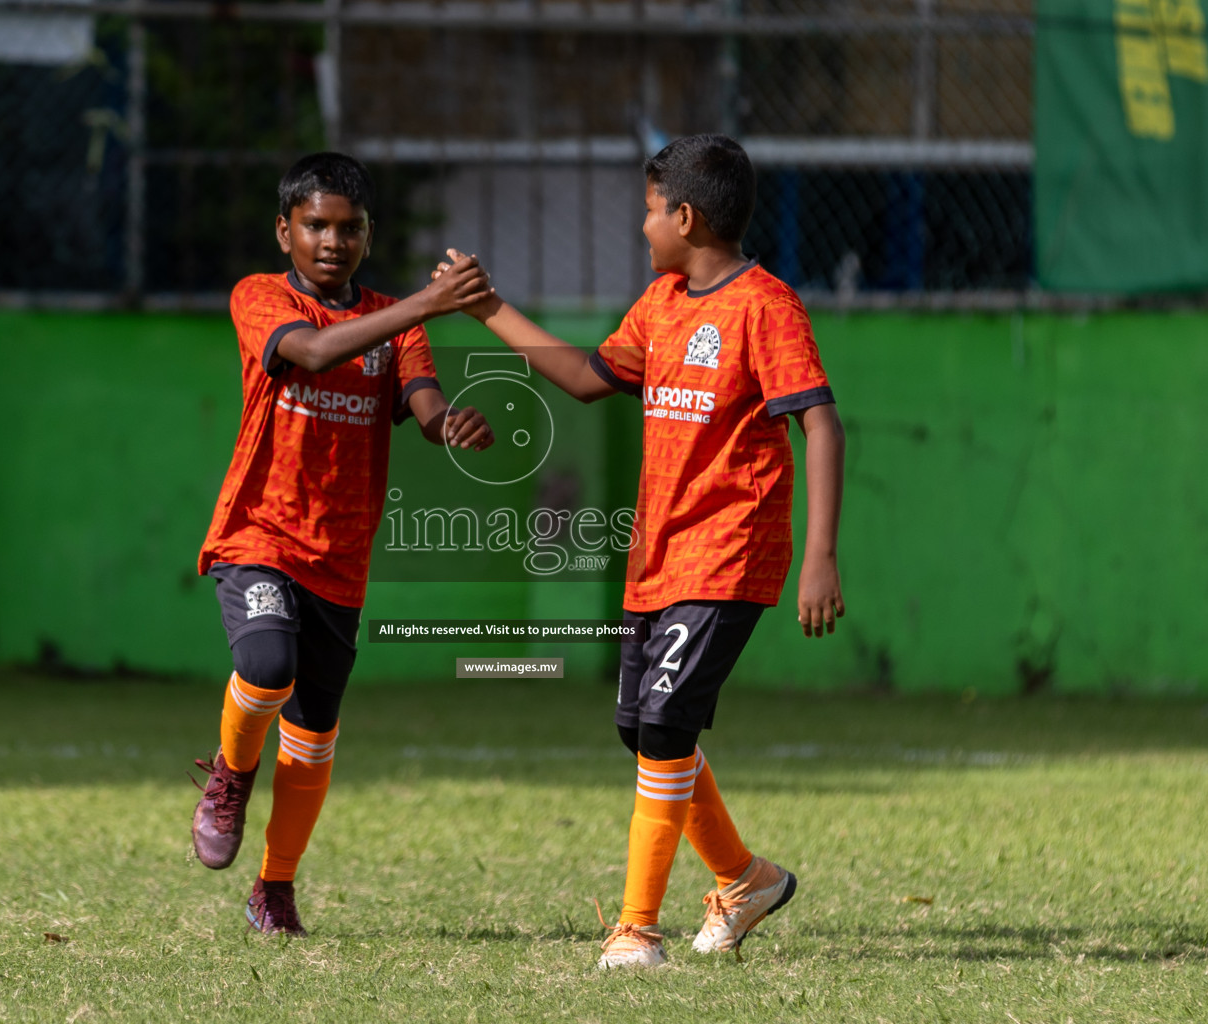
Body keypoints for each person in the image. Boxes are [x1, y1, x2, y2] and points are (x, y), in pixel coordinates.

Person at [439, 134, 846, 967]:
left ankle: (636, 929)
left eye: (651, 210)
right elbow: (589, 378)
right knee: (644, 727)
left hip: (729, 554)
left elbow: (820, 421)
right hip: (656, 560)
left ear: (686, 216)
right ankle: (745, 878)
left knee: (663, 723)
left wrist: (819, 556)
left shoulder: (765, 306)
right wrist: (487, 308)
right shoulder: (659, 303)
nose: (643, 224)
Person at [191, 152, 495, 937]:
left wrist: (451, 425)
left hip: (342, 556)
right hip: (258, 532)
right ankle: (229, 775)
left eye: (349, 228)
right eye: (316, 226)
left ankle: (275, 887)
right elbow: (317, 351)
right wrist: (429, 300)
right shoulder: (259, 297)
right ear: (284, 230)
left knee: (315, 732)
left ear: (368, 235)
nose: (332, 241)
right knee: (265, 666)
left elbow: (424, 405)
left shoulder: (399, 327)